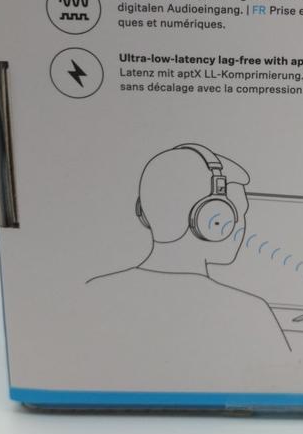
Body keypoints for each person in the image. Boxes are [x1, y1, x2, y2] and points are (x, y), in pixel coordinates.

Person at [87, 144, 290, 366]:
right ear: (206, 217)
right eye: (234, 214)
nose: (241, 225)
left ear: (143, 213)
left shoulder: (94, 292)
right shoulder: (250, 311)